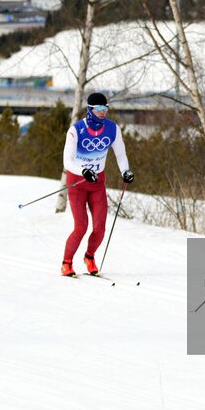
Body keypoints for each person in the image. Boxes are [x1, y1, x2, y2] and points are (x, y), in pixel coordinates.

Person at [60, 92, 133, 277]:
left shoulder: (112, 129)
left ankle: (89, 257)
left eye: (105, 108)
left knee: (100, 228)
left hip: (98, 183)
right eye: (99, 109)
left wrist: (126, 171)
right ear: (90, 110)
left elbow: (121, 154)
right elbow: (67, 162)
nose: (103, 113)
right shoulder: (75, 131)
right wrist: (83, 171)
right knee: (81, 226)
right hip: (77, 183)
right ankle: (67, 262)